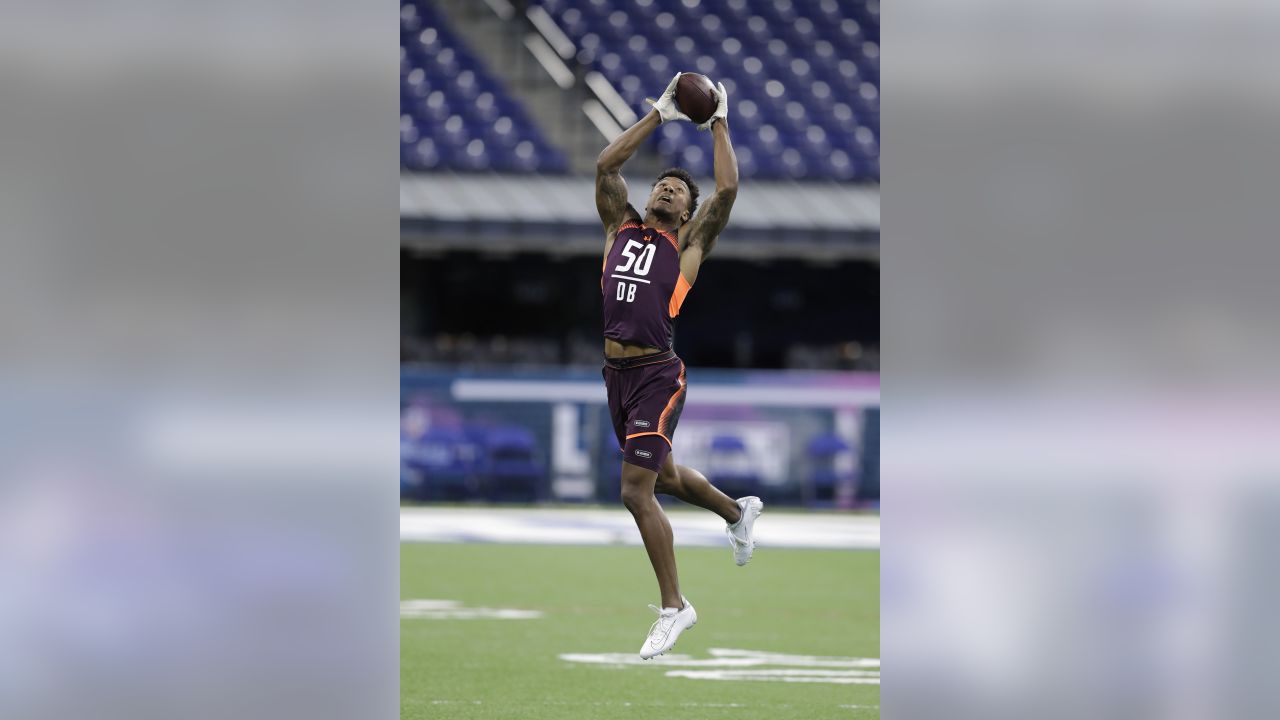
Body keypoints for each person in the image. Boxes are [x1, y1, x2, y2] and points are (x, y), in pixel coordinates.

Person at [595, 73, 763, 660]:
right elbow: (605, 168)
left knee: (635, 492)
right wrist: (659, 116)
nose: (667, 190)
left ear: (689, 210)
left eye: (676, 190)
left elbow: (728, 189)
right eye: (661, 185)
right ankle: (736, 511)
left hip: (658, 375)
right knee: (664, 478)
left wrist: (719, 120)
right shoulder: (620, 227)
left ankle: (675, 606)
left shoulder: (687, 244)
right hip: (615, 377)